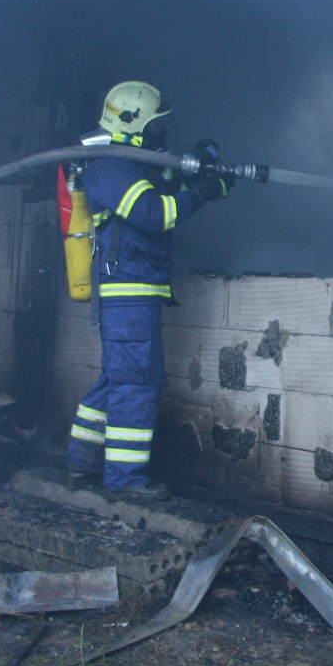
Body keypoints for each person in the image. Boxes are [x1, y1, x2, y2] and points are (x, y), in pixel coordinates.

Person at [65, 81, 233, 501]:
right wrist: (202, 193)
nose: (163, 132)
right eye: (156, 125)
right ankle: (124, 481)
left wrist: (204, 170)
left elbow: (166, 184)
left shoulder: (132, 164)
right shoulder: (111, 166)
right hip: (127, 294)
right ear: (133, 122)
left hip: (134, 294)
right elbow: (155, 213)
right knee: (137, 383)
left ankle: (82, 462)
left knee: (118, 379)